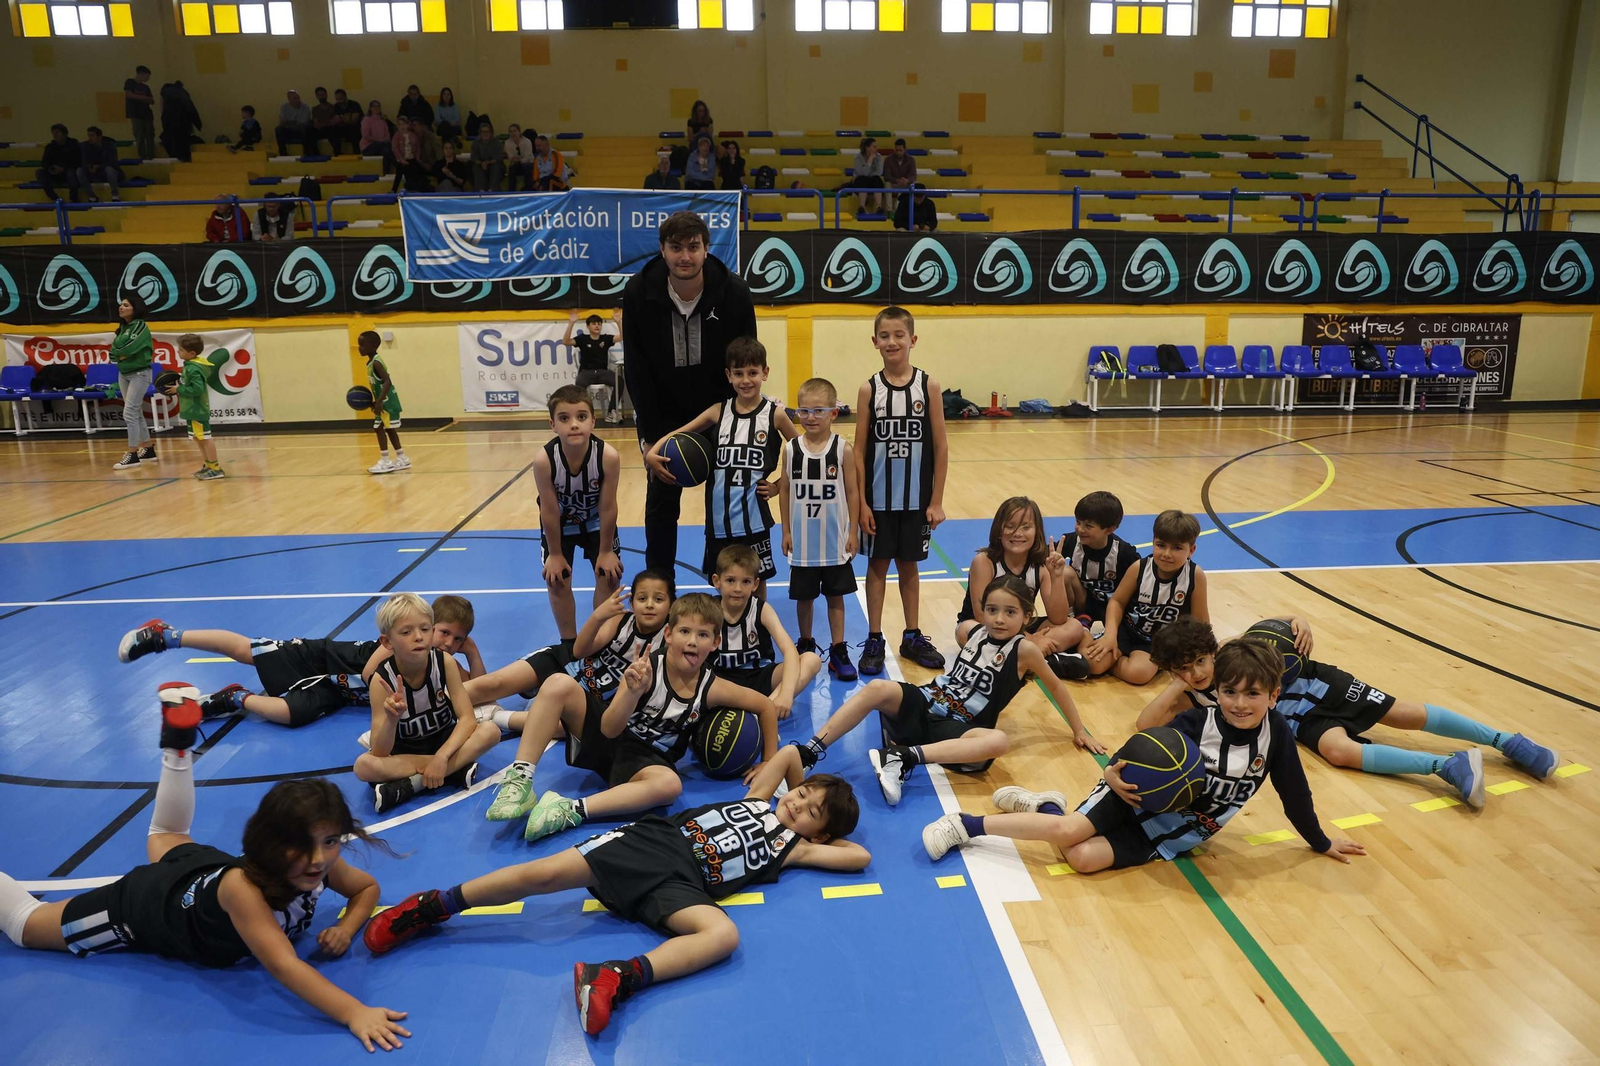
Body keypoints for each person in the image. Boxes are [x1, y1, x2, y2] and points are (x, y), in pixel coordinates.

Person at [0, 685, 411, 1053]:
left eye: (330, 841)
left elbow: (367, 889)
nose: (319, 858)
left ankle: (177, 747)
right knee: (25, 925)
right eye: (303, 846)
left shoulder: (316, 866)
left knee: (167, 834)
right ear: (272, 843)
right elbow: (284, 965)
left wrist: (347, 927)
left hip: (200, 871)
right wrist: (354, 1012)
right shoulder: (243, 890)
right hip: (143, 907)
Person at [361, 744, 865, 1037]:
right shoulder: (759, 799)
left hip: (682, 886)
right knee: (542, 875)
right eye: (801, 795)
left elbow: (858, 856)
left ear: (819, 834)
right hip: (652, 845)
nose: (797, 804)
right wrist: (805, 788)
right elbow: (789, 754)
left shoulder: (793, 849)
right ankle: (434, 904)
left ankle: (613, 976)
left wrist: (819, 832)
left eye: (810, 812)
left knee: (724, 935)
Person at [922, 638, 1368, 873]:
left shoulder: (1278, 736)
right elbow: (1140, 749)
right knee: (1069, 831)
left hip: (1176, 830)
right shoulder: (1198, 722)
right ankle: (966, 825)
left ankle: (1044, 806)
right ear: (1218, 690)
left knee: (1081, 858)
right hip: (1132, 794)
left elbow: (1295, 794)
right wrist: (1112, 774)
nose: (1239, 703)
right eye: (1230, 691)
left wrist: (1320, 840)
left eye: (1252, 694)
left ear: (1273, 695)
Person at [1137, 618, 1559, 806]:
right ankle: (1446, 766)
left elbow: (1276, 623)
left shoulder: (1235, 649)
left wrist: (1300, 619)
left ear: (1213, 652)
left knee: (1401, 714)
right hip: (1298, 718)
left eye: (1199, 662)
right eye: (1183, 668)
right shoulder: (1191, 694)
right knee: (1339, 752)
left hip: (1317, 684)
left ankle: (1506, 741)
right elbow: (1144, 725)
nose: (1195, 673)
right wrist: (1178, 682)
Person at [481, 594, 780, 842]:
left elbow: (765, 706)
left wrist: (768, 761)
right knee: (558, 683)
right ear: (668, 634)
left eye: (703, 635)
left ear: (715, 642)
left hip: (645, 760)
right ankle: (521, 780)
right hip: (608, 734)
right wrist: (632, 693)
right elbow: (609, 728)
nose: (692, 641)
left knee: (670, 785)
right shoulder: (645, 669)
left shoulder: (712, 687)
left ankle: (569, 809)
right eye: (685, 632)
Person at [791, 576, 1105, 805]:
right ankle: (809, 752)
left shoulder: (1024, 651)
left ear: (1027, 617)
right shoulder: (972, 631)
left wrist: (1079, 730)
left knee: (998, 741)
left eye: (1010, 612)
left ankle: (903, 756)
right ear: (982, 610)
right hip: (928, 700)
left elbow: (1056, 687)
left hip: (959, 727)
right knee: (876, 687)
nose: (999, 619)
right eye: (992, 609)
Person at [622, 211, 758, 592]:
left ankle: (729, 590)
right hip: (663, 416)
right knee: (660, 505)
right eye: (676, 247)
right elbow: (636, 369)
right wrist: (649, 440)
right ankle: (660, 588)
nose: (685, 256)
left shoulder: (734, 292)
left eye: (693, 247)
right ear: (662, 250)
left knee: (725, 506)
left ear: (706, 249)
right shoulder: (639, 292)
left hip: (720, 414)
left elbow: (746, 357)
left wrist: (741, 420)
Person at [118, 594, 480, 727]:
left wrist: (473, 654)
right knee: (248, 651)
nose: (448, 643)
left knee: (289, 714)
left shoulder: (445, 664)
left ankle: (234, 698)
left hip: (338, 693)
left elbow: (478, 688)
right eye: (443, 633)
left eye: (458, 639)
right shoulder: (400, 646)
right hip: (321, 659)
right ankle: (167, 636)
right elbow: (372, 673)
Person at [645, 336, 795, 589]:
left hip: (754, 520)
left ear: (765, 372)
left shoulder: (775, 415)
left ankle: (755, 617)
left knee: (756, 583)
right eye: (738, 373)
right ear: (728, 375)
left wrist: (778, 486)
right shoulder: (718, 411)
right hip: (718, 522)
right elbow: (678, 433)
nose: (745, 380)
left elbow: (803, 453)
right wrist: (652, 453)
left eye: (752, 372)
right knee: (722, 584)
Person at [854, 305, 949, 674]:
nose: (891, 341)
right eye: (884, 335)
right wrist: (861, 504)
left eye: (899, 335)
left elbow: (940, 446)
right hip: (878, 501)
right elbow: (859, 451)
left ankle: (912, 635)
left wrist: (936, 500)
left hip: (916, 500)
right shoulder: (869, 389)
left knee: (909, 566)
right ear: (874, 341)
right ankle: (874, 637)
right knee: (877, 565)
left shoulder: (929, 386)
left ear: (913, 339)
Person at [464, 572, 672, 734]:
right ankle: (443, 704)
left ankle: (494, 716)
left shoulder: (669, 641)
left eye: (658, 599)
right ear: (632, 603)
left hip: (590, 698)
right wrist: (598, 617)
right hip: (565, 664)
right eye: (642, 598)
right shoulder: (621, 620)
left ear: (671, 604)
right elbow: (578, 651)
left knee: (562, 727)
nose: (649, 605)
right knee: (493, 683)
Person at [354, 594, 500, 812]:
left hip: (444, 742)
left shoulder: (444, 662)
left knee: (490, 731)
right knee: (363, 766)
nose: (418, 637)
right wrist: (391, 720)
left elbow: (467, 719)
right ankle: (453, 771)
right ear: (387, 642)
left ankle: (413, 784)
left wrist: (442, 756)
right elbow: (380, 751)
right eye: (406, 632)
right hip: (406, 752)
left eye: (424, 629)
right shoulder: (381, 680)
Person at [779, 376, 860, 681]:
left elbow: (852, 492)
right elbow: (785, 490)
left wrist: (852, 532)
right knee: (805, 598)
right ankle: (806, 644)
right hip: (803, 542)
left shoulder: (843, 449)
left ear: (833, 413)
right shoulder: (791, 449)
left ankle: (838, 650)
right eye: (804, 411)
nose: (810, 417)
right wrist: (786, 531)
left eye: (818, 411)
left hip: (833, 540)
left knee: (836, 597)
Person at [957, 497, 1088, 678]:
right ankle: (1039, 661)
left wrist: (1057, 577)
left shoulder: (1040, 565)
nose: (1017, 533)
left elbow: (1058, 618)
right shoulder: (984, 562)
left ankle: (1019, 661)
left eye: (1026, 527)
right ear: (998, 531)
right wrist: (1030, 640)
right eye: (1010, 526)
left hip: (1020, 626)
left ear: (1037, 532)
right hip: (987, 627)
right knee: (965, 630)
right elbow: (981, 615)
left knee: (1074, 627)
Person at [534, 385, 623, 642]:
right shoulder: (544, 460)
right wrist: (555, 554)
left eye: (581, 417)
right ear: (553, 424)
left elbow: (608, 507)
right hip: (561, 527)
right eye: (564, 418)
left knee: (609, 574)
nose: (574, 424)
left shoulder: (607, 456)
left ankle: (601, 641)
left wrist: (605, 551)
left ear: (593, 421)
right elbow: (549, 511)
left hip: (596, 522)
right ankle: (569, 644)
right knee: (557, 578)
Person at [707, 544, 821, 720]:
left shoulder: (761, 609)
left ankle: (764, 711)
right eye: (730, 580)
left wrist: (786, 693)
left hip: (759, 678)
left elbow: (790, 651)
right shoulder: (709, 610)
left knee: (811, 660)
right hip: (721, 682)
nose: (738, 588)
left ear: (755, 584)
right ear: (717, 581)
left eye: (745, 581)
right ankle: (759, 714)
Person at [1094, 508, 1208, 684]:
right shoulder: (1139, 567)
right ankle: (1087, 640)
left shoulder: (1195, 576)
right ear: (1153, 542)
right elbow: (1117, 602)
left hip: (1157, 643)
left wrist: (1202, 654)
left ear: (1191, 550)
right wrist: (1110, 634)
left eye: (1177, 548)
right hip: (1127, 630)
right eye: (1161, 545)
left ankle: (1107, 654)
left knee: (1138, 673)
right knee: (1094, 664)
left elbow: (1200, 621)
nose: (1167, 554)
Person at [1055, 490, 1141, 633]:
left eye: (1088, 526)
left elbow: (1140, 580)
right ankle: (1071, 619)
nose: (1080, 529)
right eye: (1078, 522)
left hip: (1114, 606)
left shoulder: (1124, 552)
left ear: (1109, 529)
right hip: (1084, 602)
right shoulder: (1070, 541)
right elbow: (1042, 556)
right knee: (1063, 572)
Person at [164, 333, 224, 480]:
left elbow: (197, 389)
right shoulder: (189, 366)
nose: (178, 351)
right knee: (199, 438)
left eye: (181, 350)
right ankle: (208, 465)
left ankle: (216, 468)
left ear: (191, 353)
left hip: (196, 409)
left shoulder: (194, 369)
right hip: (190, 409)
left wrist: (179, 389)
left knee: (205, 438)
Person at [109, 296, 155, 470]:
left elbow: (129, 348)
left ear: (135, 308)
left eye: (126, 305)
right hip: (124, 373)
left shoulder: (140, 326)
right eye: (121, 304)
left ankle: (132, 454)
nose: (121, 307)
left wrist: (121, 353)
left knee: (129, 414)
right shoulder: (122, 328)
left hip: (139, 373)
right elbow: (113, 352)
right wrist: (120, 354)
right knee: (136, 413)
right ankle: (148, 449)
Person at [360, 330, 407, 474]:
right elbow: (379, 385)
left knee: (378, 428)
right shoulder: (371, 362)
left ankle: (386, 461)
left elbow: (387, 381)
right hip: (384, 401)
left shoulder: (376, 362)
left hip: (388, 402)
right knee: (389, 429)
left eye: (362, 345)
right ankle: (402, 458)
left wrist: (379, 401)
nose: (360, 348)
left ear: (373, 345)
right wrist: (375, 401)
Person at [564, 308, 622, 422]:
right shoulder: (583, 339)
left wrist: (619, 322)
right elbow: (565, 341)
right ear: (588, 326)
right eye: (594, 324)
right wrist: (571, 323)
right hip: (586, 372)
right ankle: (583, 413)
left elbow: (621, 337)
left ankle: (611, 412)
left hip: (603, 372)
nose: (597, 326)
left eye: (599, 324)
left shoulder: (605, 338)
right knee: (579, 385)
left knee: (619, 381)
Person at [73, 125, 121, 203]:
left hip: (106, 171)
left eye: (92, 135)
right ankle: (92, 196)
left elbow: (112, 162)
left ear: (99, 137)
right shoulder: (85, 146)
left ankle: (115, 195)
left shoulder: (109, 146)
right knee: (79, 171)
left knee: (109, 170)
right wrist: (89, 166)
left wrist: (98, 166)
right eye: (89, 136)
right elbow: (83, 162)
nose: (90, 138)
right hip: (93, 172)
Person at [35, 124, 82, 203]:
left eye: (57, 132)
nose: (55, 135)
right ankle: (55, 199)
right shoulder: (50, 147)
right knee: (40, 173)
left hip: (68, 171)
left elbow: (77, 161)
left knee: (71, 173)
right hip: (54, 173)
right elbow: (45, 162)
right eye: (53, 133)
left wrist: (63, 168)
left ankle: (73, 199)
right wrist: (50, 168)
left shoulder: (73, 144)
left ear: (65, 134)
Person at [158, 79, 201, 162]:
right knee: (184, 142)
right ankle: (185, 159)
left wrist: (164, 122)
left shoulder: (165, 92)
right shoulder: (183, 93)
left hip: (171, 122)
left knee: (170, 140)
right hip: (185, 122)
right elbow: (191, 108)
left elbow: (163, 110)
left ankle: (177, 159)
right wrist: (197, 123)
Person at [389, 116, 429, 193]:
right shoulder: (396, 136)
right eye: (400, 124)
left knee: (414, 171)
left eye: (403, 124)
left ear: (408, 125)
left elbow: (417, 147)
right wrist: (401, 159)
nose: (402, 126)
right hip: (401, 160)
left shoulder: (413, 136)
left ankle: (412, 187)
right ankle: (394, 189)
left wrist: (417, 157)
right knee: (399, 171)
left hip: (412, 159)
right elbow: (395, 149)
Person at [124, 64, 156, 159]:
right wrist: (144, 98)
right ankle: (142, 156)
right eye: (147, 76)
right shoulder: (130, 82)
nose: (148, 79)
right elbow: (128, 95)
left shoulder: (146, 87)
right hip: (135, 114)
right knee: (139, 135)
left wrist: (141, 98)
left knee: (150, 135)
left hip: (147, 114)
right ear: (141, 74)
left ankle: (151, 156)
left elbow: (152, 100)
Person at [850, 137, 885, 215]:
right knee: (862, 180)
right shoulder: (858, 158)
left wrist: (867, 173)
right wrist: (870, 160)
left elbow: (879, 172)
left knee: (877, 180)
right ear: (867, 148)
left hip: (873, 180)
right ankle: (862, 206)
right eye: (874, 147)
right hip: (860, 180)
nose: (876, 149)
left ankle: (878, 206)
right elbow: (861, 173)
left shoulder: (878, 157)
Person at [274, 89, 313, 157]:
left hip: (301, 131)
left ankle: (307, 152)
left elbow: (305, 121)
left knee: (303, 128)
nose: (297, 100)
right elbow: (282, 121)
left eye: (298, 98)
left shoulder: (305, 106)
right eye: (295, 98)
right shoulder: (284, 107)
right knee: (278, 129)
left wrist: (288, 121)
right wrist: (293, 121)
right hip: (289, 130)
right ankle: (283, 153)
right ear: (289, 99)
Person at [883, 137, 916, 211]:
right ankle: (889, 210)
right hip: (893, 183)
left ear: (905, 149)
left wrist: (906, 180)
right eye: (896, 150)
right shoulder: (888, 159)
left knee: (914, 184)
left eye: (900, 150)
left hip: (905, 184)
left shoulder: (911, 160)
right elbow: (887, 176)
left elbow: (913, 175)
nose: (898, 152)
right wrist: (896, 180)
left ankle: (897, 208)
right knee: (887, 184)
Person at [471, 122, 504, 190]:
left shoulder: (496, 142)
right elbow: (474, 157)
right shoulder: (475, 143)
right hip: (481, 164)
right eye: (483, 132)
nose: (485, 134)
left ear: (491, 133)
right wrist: (481, 163)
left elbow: (499, 157)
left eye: (487, 132)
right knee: (476, 168)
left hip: (494, 164)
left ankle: (492, 190)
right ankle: (480, 190)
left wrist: (488, 162)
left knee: (496, 167)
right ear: (480, 133)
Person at [503, 124, 535, 191]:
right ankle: (511, 191)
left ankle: (529, 189)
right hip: (516, 164)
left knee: (527, 166)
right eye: (511, 131)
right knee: (512, 168)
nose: (513, 133)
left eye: (515, 131)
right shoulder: (507, 143)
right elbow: (510, 156)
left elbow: (528, 157)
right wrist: (516, 159)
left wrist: (519, 160)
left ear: (519, 132)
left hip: (528, 163)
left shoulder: (527, 141)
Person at [309, 87, 340, 154]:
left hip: (331, 130)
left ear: (326, 95)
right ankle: (314, 153)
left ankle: (337, 153)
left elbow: (334, 122)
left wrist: (323, 124)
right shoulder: (315, 109)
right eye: (319, 95)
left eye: (323, 95)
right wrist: (327, 123)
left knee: (334, 130)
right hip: (321, 130)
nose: (321, 97)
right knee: (310, 131)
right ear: (317, 96)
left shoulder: (333, 107)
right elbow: (316, 124)